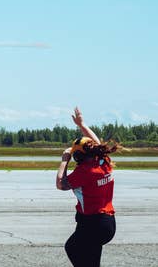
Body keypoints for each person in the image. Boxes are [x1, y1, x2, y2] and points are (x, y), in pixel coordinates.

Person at [56, 107, 121, 267]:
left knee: (72, 248)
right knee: (90, 258)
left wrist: (65, 159)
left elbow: (60, 184)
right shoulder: (103, 161)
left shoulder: (85, 171)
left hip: (93, 222)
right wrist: (82, 125)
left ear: (78, 156)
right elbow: (98, 143)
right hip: (107, 222)